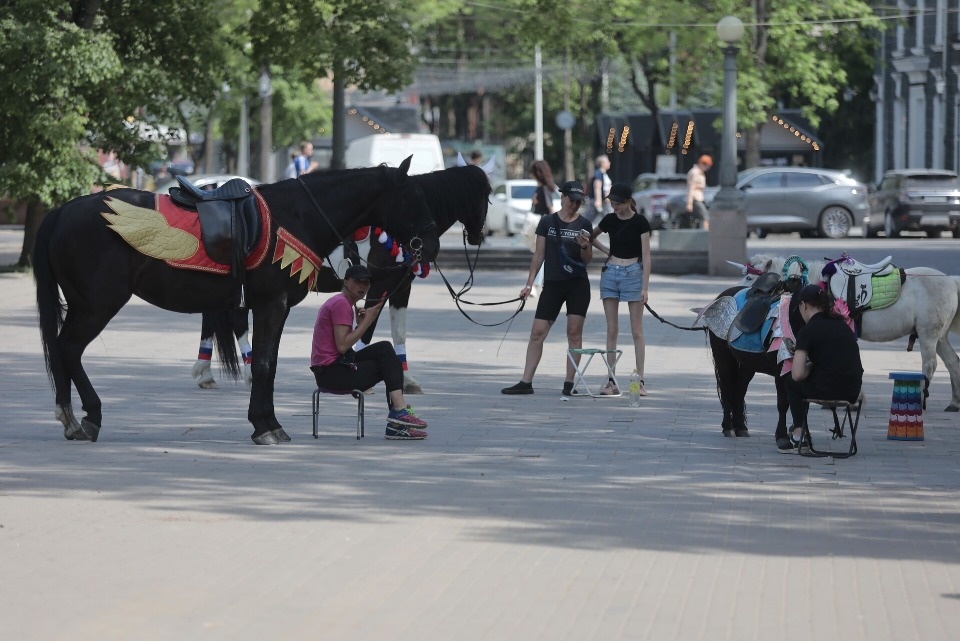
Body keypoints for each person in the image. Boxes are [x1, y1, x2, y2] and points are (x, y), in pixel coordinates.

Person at [311, 265, 428, 440]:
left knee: (385, 350)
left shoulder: (341, 302)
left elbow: (342, 345)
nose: (362, 287)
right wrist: (367, 322)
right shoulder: (341, 305)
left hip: (334, 368)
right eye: (357, 281)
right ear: (345, 282)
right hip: (331, 374)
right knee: (389, 360)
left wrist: (360, 324)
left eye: (366, 283)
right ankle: (398, 417)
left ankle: (398, 415)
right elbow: (342, 346)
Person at [502, 180, 593, 397]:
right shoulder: (547, 222)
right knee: (538, 332)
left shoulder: (584, 224)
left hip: (578, 285)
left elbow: (587, 260)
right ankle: (526, 382)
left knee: (574, 331)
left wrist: (584, 246)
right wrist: (529, 284)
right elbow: (539, 255)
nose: (574, 205)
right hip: (552, 284)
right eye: (571, 200)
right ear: (562, 197)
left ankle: (569, 382)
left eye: (578, 202)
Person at [780, 284, 863, 453]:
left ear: (803, 305)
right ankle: (799, 433)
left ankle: (798, 433)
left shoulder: (807, 331)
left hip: (827, 390)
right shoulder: (843, 326)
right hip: (853, 390)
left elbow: (797, 374)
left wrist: (809, 367)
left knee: (790, 381)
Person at [587, 182, 652, 396]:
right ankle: (611, 381)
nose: (614, 207)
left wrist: (645, 287)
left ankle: (639, 381)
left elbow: (646, 255)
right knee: (612, 329)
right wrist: (607, 250)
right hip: (611, 273)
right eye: (612, 203)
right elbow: (590, 237)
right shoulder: (609, 220)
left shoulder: (640, 222)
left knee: (637, 330)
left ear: (627, 202)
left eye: (617, 203)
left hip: (634, 273)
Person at [528, 159, 558, 297]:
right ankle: (536, 284)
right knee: (540, 254)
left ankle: (534, 284)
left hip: (543, 225)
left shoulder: (543, 189)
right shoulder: (542, 188)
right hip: (542, 224)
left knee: (539, 255)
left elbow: (550, 209)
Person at [681, 154, 712, 228]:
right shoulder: (694, 173)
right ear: (702, 164)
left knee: (701, 217)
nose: (707, 168)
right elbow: (691, 188)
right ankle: (705, 233)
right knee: (705, 216)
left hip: (699, 197)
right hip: (695, 198)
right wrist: (689, 203)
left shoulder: (700, 173)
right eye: (706, 166)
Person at [591, 154, 612, 222]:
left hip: (605, 201)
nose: (609, 163)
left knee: (610, 219)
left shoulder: (603, 174)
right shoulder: (598, 173)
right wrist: (598, 200)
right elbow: (597, 187)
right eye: (607, 161)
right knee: (588, 218)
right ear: (602, 163)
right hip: (600, 201)